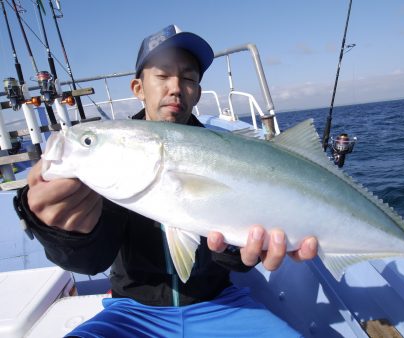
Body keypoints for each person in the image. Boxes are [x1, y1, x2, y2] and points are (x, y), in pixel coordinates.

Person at [15, 25, 318, 337]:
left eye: (188, 78)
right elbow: (91, 260)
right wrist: (58, 232)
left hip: (221, 302)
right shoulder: (116, 154)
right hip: (133, 311)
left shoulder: (230, 151)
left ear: (197, 92)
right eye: (162, 75)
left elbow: (233, 254)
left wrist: (236, 247)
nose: (176, 87)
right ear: (138, 87)